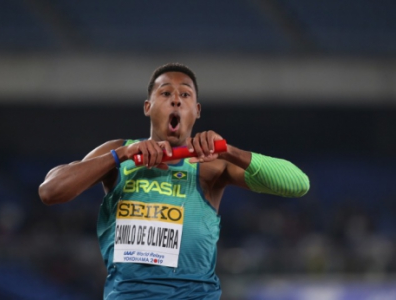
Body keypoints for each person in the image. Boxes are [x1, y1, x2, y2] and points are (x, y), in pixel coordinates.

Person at [38, 63, 310, 299]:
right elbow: (51, 191)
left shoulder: (212, 164)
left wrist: (230, 151)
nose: (176, 100)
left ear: (197, 110)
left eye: (185, 94)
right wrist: (121, 155)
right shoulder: (118, 152)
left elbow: (298, 184)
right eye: (166, 92)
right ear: (148, 106)